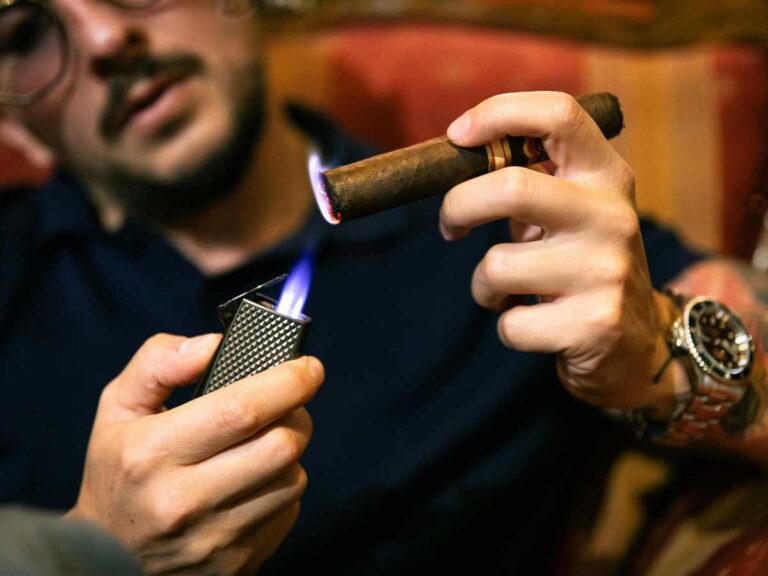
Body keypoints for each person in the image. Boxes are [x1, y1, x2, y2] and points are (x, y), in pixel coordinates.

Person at [0, 1, 766, 574]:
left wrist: (653, 350)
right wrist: (86, 554)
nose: (104, 39)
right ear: (13, 121)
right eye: (26, 33)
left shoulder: (511, 231)